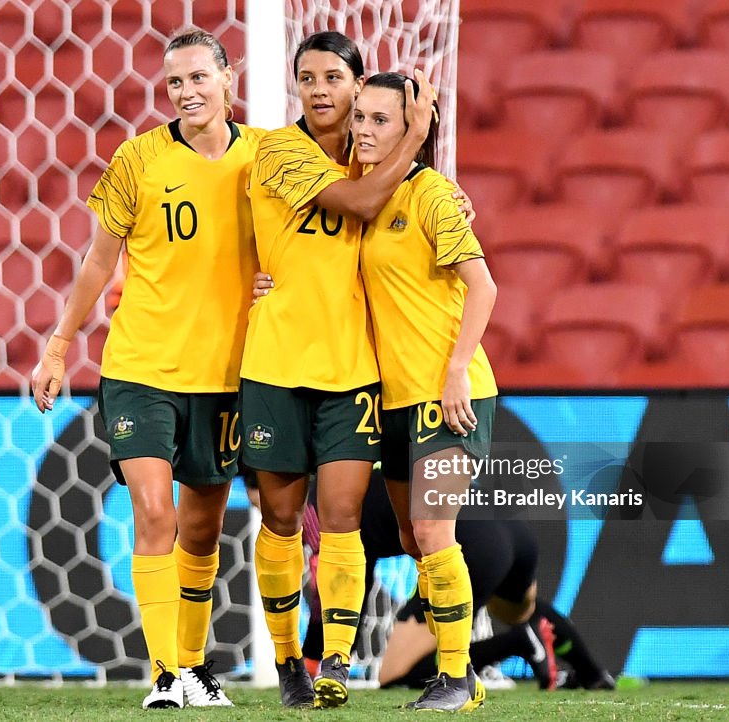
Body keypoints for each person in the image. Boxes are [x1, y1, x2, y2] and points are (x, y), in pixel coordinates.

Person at [31, 29, 265, 709]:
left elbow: (318, 235)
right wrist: (58, 345)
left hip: (225, 375)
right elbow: (99, 263)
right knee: (154, 512)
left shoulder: (269, 160)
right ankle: (165, 675)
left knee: (201, 526)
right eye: (175, 84)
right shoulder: (137, 160)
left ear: (228, 77)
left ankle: (193, 666)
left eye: (199, 77)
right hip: (140, 368)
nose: (188, 92)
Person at [239, 31, 437, 709]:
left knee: (345, 514)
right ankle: (287, 658)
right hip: (274, 364)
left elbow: (411, 210)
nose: (319, 90)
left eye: (333, 77)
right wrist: (414, 138)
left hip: (351, 370)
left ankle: (336, 663)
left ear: (359, 86)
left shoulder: (376, 153)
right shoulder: (278, 150)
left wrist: (442, 192)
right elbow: (357, 204)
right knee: (283, 520)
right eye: (307, 77)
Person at [355, 71, 498, 712]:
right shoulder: (352, 200)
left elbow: (484, 286)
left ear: (414, 127)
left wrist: (456, 369)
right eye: (359, 116)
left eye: (380, 119)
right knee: (414, 542)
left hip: (448, 394)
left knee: (432, 530)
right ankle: (463, 671)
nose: (363, 128)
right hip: (390, 400)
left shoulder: (433, 195)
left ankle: (454, 678)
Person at [293, 470, 615, 693]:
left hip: (473, 546)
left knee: (397, 675)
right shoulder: (359, 471)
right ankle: (593, 673)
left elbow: (346, 592)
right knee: (518, 610)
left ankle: (520, 643)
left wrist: (311, 663)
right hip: (509, 528)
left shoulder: (321, 506)